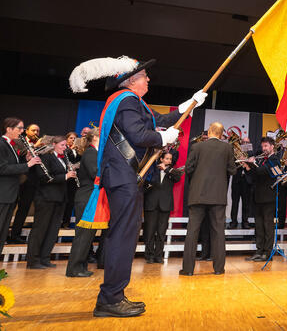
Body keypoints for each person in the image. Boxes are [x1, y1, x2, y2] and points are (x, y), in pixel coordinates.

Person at [68, 56, 207, 317]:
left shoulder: (134, 102)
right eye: (144, 75)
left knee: (124, 235)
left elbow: (160, 118)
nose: (148, 79)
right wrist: (162, 137)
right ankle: (110, 299)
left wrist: (189, 104)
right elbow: (140, 135)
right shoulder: (128, 101)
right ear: (132, 81)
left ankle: (113, 295)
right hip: (122, 177)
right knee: (123, 236)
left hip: (123, 176)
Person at [180, 122, 236, 275]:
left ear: (210, 131)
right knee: (218, 233)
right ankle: (219, 269)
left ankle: (188, 270)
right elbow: (232, 170)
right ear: (221, 134)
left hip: (197, 195)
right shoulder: (227, 148)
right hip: (218, 196)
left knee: (192, 232)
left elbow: (189, 168)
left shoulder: (197, 147)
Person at [26, 135, 78, 268]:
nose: (65, 148)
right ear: (53, 144)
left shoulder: (64, 159)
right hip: (46, 198)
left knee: (52, 231)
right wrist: (66, 176)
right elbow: (44, 178)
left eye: (66, 145)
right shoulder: (45, 158)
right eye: (62, 145)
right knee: (40, 229)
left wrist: (71, 171)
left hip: (60, 198)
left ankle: (44, 258)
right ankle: (33, 260)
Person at [0, 117, 42, 253]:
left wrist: (26, 160)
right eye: (19, 128)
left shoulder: (11, 144)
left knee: (3, 230)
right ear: (9, 129)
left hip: (10, 194)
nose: (22, 131)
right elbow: (3, 168)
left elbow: (14, 165)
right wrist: (28, 165)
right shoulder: (1, 144)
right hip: (3, 194)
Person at [66, 128, 100, 277]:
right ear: (95, 138)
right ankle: (74, 268)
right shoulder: (92, 153)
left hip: (90, 198)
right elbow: (95, 173)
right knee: (83, 235)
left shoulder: (94, 152)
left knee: (87, 236)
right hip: (86, 198)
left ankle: (81, 266)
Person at [243, 137, 279, 262]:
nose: (263, 149)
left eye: (266, 146)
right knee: (259, 226)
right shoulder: (263, 160)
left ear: (272, 147)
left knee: (268, 226)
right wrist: (248, 168)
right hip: (258, 197)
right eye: (263, 146)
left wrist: (252, 164)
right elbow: (254, 177)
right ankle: (259, 251)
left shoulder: (275, 159)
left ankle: (267, 252)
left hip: (268, 198)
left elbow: (263, 172)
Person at [144, 152, 182, 264]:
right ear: (161, 159)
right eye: (166, 158)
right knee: (149, 232)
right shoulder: (152, 169)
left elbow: (178, 177)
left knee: (161, 233)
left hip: (165, 205)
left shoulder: (172, 171)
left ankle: (158, 256)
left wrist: (166, 169)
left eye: (170, 159)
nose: (169, 161)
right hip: (151, 204)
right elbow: (144, 183)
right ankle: (149, 256)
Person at [62, 131, 81, 228]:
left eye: (75, 139)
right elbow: (64, 157)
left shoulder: (78, 150)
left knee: (71, 202)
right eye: (71, 138)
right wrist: (71, 149)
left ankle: (66, 222)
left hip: (74, 179)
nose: (73, 140)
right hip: (65, 179)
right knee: (64, 201)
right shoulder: (64, 148)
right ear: (66, 139)